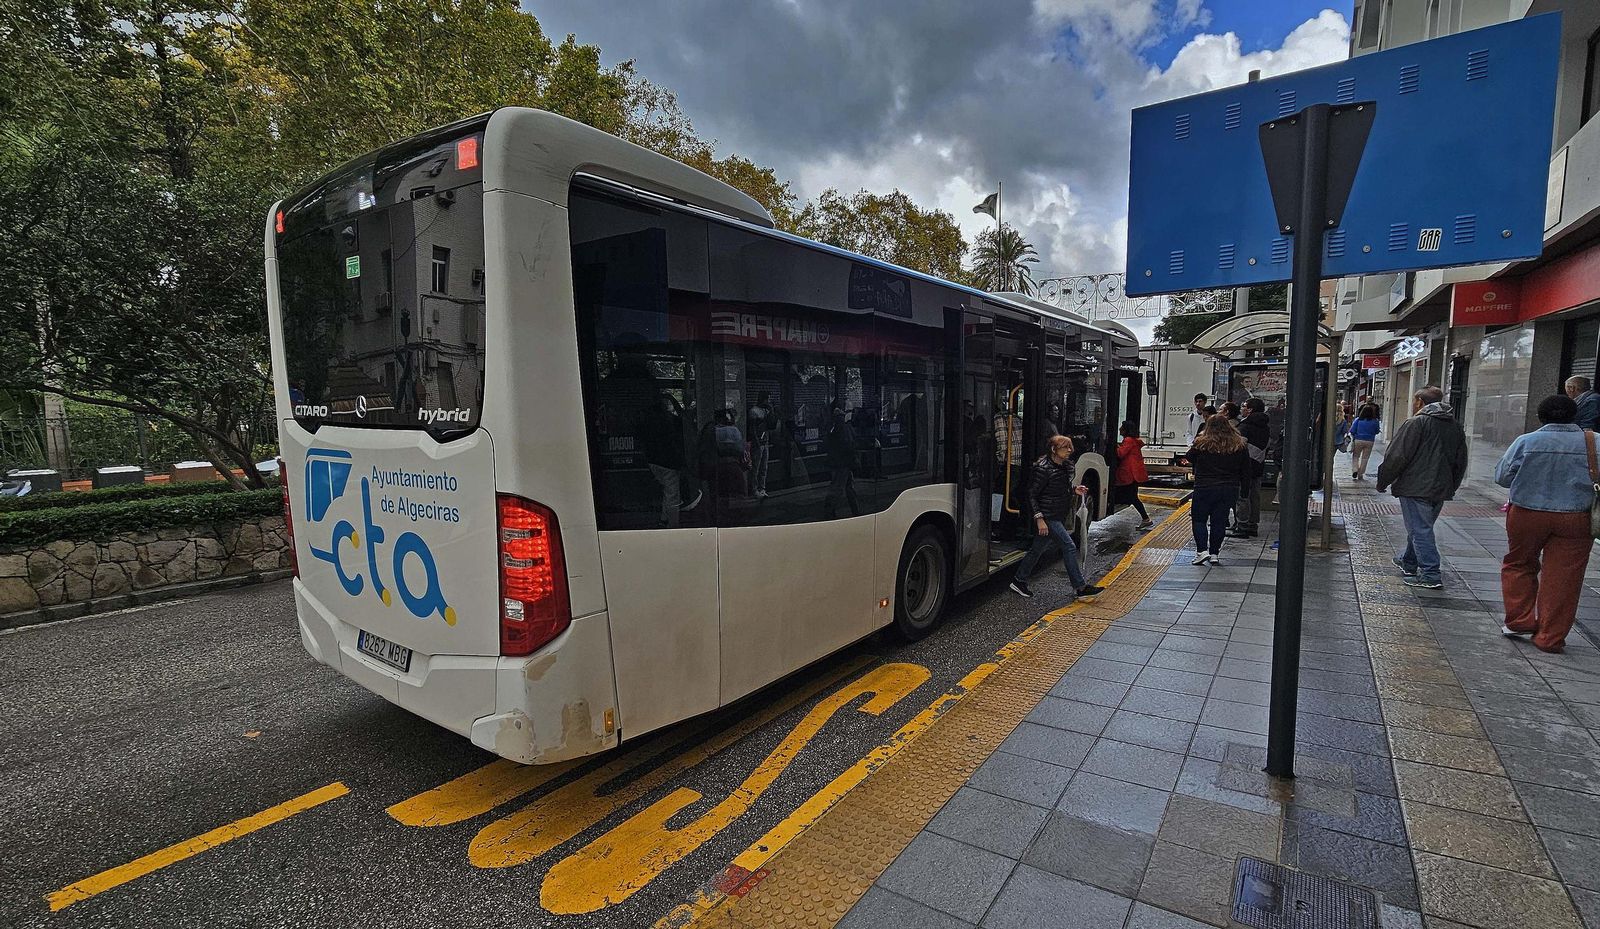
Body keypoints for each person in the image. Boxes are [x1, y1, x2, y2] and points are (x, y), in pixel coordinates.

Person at [1495, 394, 1596, 653]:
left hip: (1527, 513)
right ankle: (1549, 637)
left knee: (1519, 563)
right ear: (1575, 415)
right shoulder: (1595, 443)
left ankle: (1519, 621)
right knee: (1565, 576)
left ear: (1541, 417)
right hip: (1576, 516)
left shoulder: (1527, 441)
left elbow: (1503, 477)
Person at [1376, 387, 1469, 589]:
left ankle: (1430, 573)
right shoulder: (1454, 426)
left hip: (1415, 486)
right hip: (1440, 487)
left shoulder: (1416, 423)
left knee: (1420, 529)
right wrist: (1452, 485)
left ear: (1419, 401)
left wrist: (1383, 480)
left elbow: (1397, 456)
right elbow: (1461, 460)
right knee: (1421, 527)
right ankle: (1408, 561)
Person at [1009, 435, 1106, 600]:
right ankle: (1080, 587)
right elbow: (1031, 494)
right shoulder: (1042, 468)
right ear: (1054, 450)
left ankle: (1019, 580)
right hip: (1048, 516)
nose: (1069, 451)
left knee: (1037, 549)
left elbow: (1058, 488)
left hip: (1057, 514)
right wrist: (1039, 519)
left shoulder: (1063, 466)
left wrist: (1074, 489)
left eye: (1070, 447)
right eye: (1065, 447)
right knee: (1068, 546)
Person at [1186, 414, 1250, 565]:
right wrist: (1245, 491)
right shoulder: (1239, 444)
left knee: (1199, 519)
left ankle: (1202, 551)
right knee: (1219, 521)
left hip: (1204, 487)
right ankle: (1214, 553)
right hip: (1229, 488)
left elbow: (1189, 457)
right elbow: (1246, 470)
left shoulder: (1201, 443)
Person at [639, 394, 702, 527]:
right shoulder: (669, 420)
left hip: (653, 461)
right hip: (668, 462)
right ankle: (673, 525)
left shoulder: (648, 420)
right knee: (673, 494)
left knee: (667, 491)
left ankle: (664, 518)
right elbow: (683, 420)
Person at [1232, 398, 1270, 538]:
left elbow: (1238, 447)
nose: (1241, 409)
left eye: (1244, 406)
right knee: (1255, 495)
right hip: (1259, 465)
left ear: (1250, 410)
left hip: (1244, 466)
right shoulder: (1264, 426)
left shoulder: (1245, 426)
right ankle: (1253, 525)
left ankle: (1242, 525)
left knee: (1243, 495)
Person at [1113, 421, 1154, 530]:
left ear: (1126, 430)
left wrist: (1113, 446)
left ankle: (1146, 519)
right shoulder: (1134, 441)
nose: (1119, 429)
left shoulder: (1128, 440)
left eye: (1122, 427)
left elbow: (1120, 453)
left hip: (1130, 474)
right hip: (1134, 474)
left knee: (1133, 498)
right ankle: (1146, 519)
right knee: (1132, 497)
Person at [824, 405, 860, 518]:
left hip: (839, 463)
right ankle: (832, 510)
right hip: (844, 463)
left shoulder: (833, 428)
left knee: (844, 487)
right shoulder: (845, 427)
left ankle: (854, 510)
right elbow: (850, 445)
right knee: (842, 488)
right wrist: (854, 459)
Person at [747, 392, 775, 498]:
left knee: (764, 467)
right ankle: (754, 489)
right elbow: (752, 429)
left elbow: (772, 423)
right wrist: (756, 441)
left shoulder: (766, 411)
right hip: (758, 442)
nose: (768, 401)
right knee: (756, 467)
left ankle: (762, 488)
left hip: (765, 441)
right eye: (767, 399)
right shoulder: (754, 411)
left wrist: (771, 410)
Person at [1349, 404, 1381, 480]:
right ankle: (1360, 474)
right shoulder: (1375, 421)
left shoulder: (1358, 420)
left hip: (1358, 439)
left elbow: (1352, 430)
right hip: (1370, 441)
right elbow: (1376, 431)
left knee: (1356, 456)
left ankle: (1355, 470)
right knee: (1365, 458)